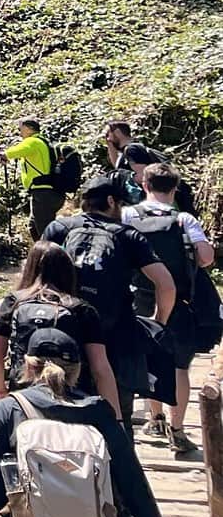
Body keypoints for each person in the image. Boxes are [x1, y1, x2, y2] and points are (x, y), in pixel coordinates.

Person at [0, 327, 179, 517]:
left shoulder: (9, 409)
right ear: (78, 369)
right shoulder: (99, 411)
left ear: (29, 365)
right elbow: (134, 488)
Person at [43, 176, 178, 422]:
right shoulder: (128, 235)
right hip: (116, 335)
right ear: (110, 201)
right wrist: (159, 322)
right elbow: (166, 284)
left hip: (62, 329)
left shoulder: (59, 228)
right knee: (117, 411)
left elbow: (36, 277)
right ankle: (119, 451)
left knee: (62, 407)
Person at [123, 164, 216, 451]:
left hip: (138, 298)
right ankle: (178, 430)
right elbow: (206, 257)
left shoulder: (127, 215)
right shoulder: (183, 219)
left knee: (149, 359)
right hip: (178, 300)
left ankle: (155, 418)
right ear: (174, 189)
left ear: (144, 185)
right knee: (179, 366)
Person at [0, 241, 118, 409]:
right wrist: (116, 418)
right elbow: (100, 368)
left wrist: (0, 391)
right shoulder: (82, 309)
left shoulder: (14, 302)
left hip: (24, 399)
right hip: (74, 400)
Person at [6, 119, 68, 241]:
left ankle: (56, 256)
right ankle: (42, 255)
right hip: (49, 192)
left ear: (29, 129)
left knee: (46, 232)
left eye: (21, 128)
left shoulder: (32, 141)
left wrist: (3, 155)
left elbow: (14, 152)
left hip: (43, 193)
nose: (19, 131)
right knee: (34, 227)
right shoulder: (43, 141)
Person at [106, 120, 162, 204]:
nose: (108, 138)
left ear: (117, 132)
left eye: (108, 134)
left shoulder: (132, 149)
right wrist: (109, 144)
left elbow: (143, 176)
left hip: (148, 200)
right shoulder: (125, 152)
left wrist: (121, 181)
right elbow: (118, 168)